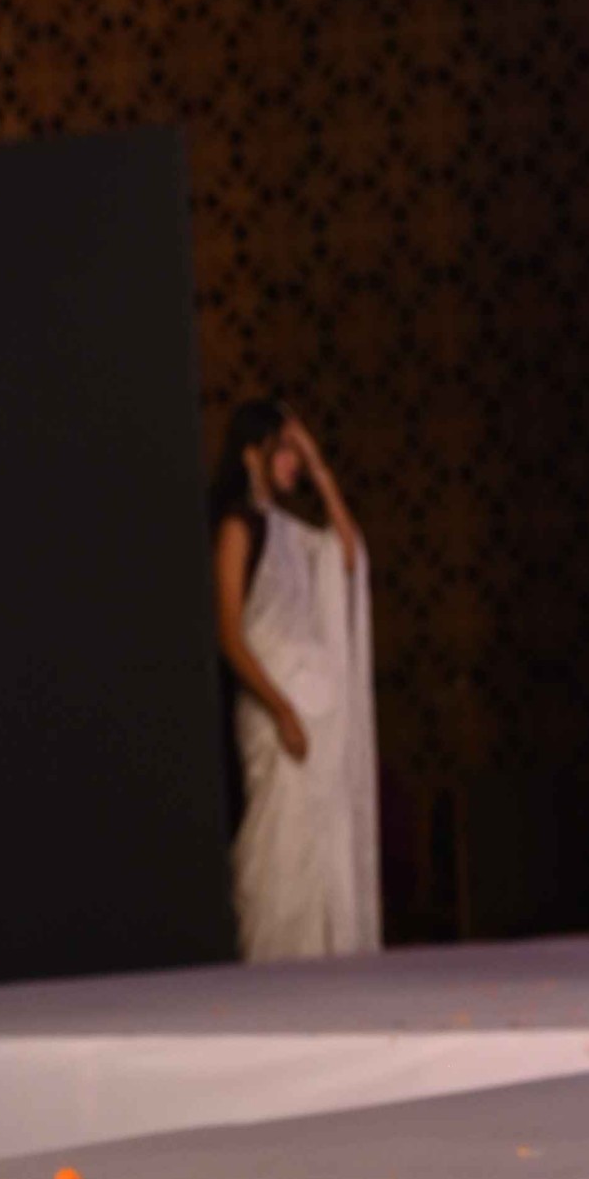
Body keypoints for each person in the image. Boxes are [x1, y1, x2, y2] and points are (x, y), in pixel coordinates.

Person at [210, 396, 378, 961]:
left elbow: (348, 556)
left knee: (320, 855)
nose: (295, 462)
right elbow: (230, 634)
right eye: (284, 449)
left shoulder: (288, 531)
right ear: (251, 454)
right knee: (279, 856)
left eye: (296, 452)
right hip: (276, 714)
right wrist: (281, 709)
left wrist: (320, 466)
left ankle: (331, 976)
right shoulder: (239, 528)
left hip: (316, 718)